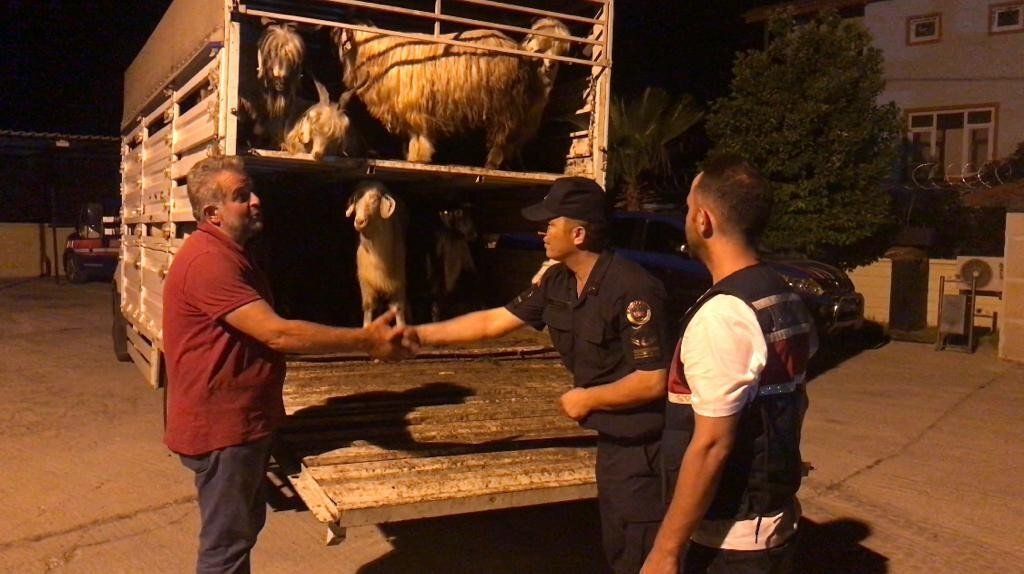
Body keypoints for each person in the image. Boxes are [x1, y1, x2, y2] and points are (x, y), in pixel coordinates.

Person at [406, 176, 670, 574]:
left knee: (639, 552)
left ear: (578, 234)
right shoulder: (556, 281)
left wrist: (588, 398)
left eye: (550, 224)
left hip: (645, 447)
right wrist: (415, 336)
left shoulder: (633, 288)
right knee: (618, 545)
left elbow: (652, 379)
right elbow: (492, 322)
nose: (541, 232)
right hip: (612, 441)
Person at [162, 156, 408, 574]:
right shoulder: (209, 261)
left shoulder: (233, 253)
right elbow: (277, 334)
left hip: (240, 424)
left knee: (239, 534)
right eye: (242, 196)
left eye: (252, 191)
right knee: (226, 548)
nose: (256, 200)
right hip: (223, 431)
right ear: (213, 213)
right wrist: (364, 339)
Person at [640, 155, 817, 574]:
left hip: (732, 541)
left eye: (688, 207)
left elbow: (712, 445)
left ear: (704, 220)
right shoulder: (781, 293)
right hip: (768, 527)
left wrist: (665, 551)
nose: (686, 217)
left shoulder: (724, 313)